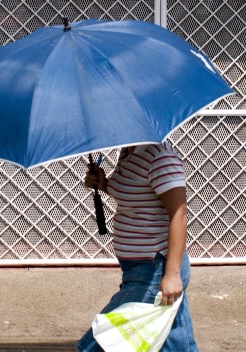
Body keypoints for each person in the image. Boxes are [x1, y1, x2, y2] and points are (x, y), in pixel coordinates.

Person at [77, 143, 199, 352]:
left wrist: (171, 275)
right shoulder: (128, 152)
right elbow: (137, 196)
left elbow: (179, 215)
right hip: (139, 269)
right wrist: (103, 183)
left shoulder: (160, 157)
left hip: (155, 271)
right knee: (176, 345)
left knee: (100, 342)